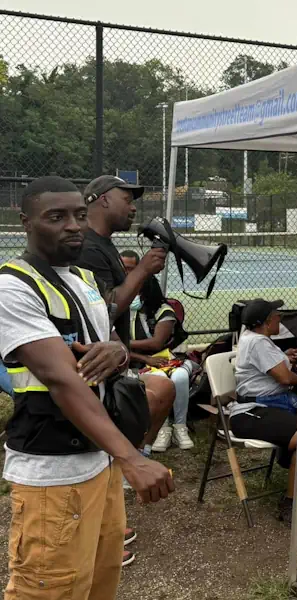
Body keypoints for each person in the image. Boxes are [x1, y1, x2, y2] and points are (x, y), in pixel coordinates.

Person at [0, 177, 174, 600]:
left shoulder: (81, 278)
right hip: (53, 474)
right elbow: (63, 381)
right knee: (50, 590)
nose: (73, 225)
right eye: (56, 217)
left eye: (79, 215)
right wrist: (132, 456)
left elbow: (110, 347)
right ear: (26, 223)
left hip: (99, 463)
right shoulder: (13, 286)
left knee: (100, 581)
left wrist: (116, 352)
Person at [77, 175, 175, 457]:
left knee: (164, 388)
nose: (133, 208)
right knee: (154, 393)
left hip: (113, 356)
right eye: (127, 200)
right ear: (104, 199)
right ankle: (122, 459)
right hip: (95, 363)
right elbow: (105, 309)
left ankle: (133, 458)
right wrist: (143, 270)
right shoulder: (88, 248)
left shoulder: (103, 244)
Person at [230, 299, 297, 525]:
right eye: (276, 314)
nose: (281, 316)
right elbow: (285, 378)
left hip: (275, 403)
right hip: (252, 410)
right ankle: (290, 501)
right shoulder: (258, 343)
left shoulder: (260, 340)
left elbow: (272, 366)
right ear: (267, 322)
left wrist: (283, 357)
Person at [120, 251, 195, 452]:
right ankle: (162, 428)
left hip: (170, 360)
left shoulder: (161, 310)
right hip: (135, 364)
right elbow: (114, 348)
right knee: (159, 380)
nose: (127, 274)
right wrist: (126, 348)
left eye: (131, 269)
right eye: (123, 268)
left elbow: (155, 344)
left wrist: (122, 343)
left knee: (179, 377)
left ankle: (179, 427)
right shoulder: (116, 308)